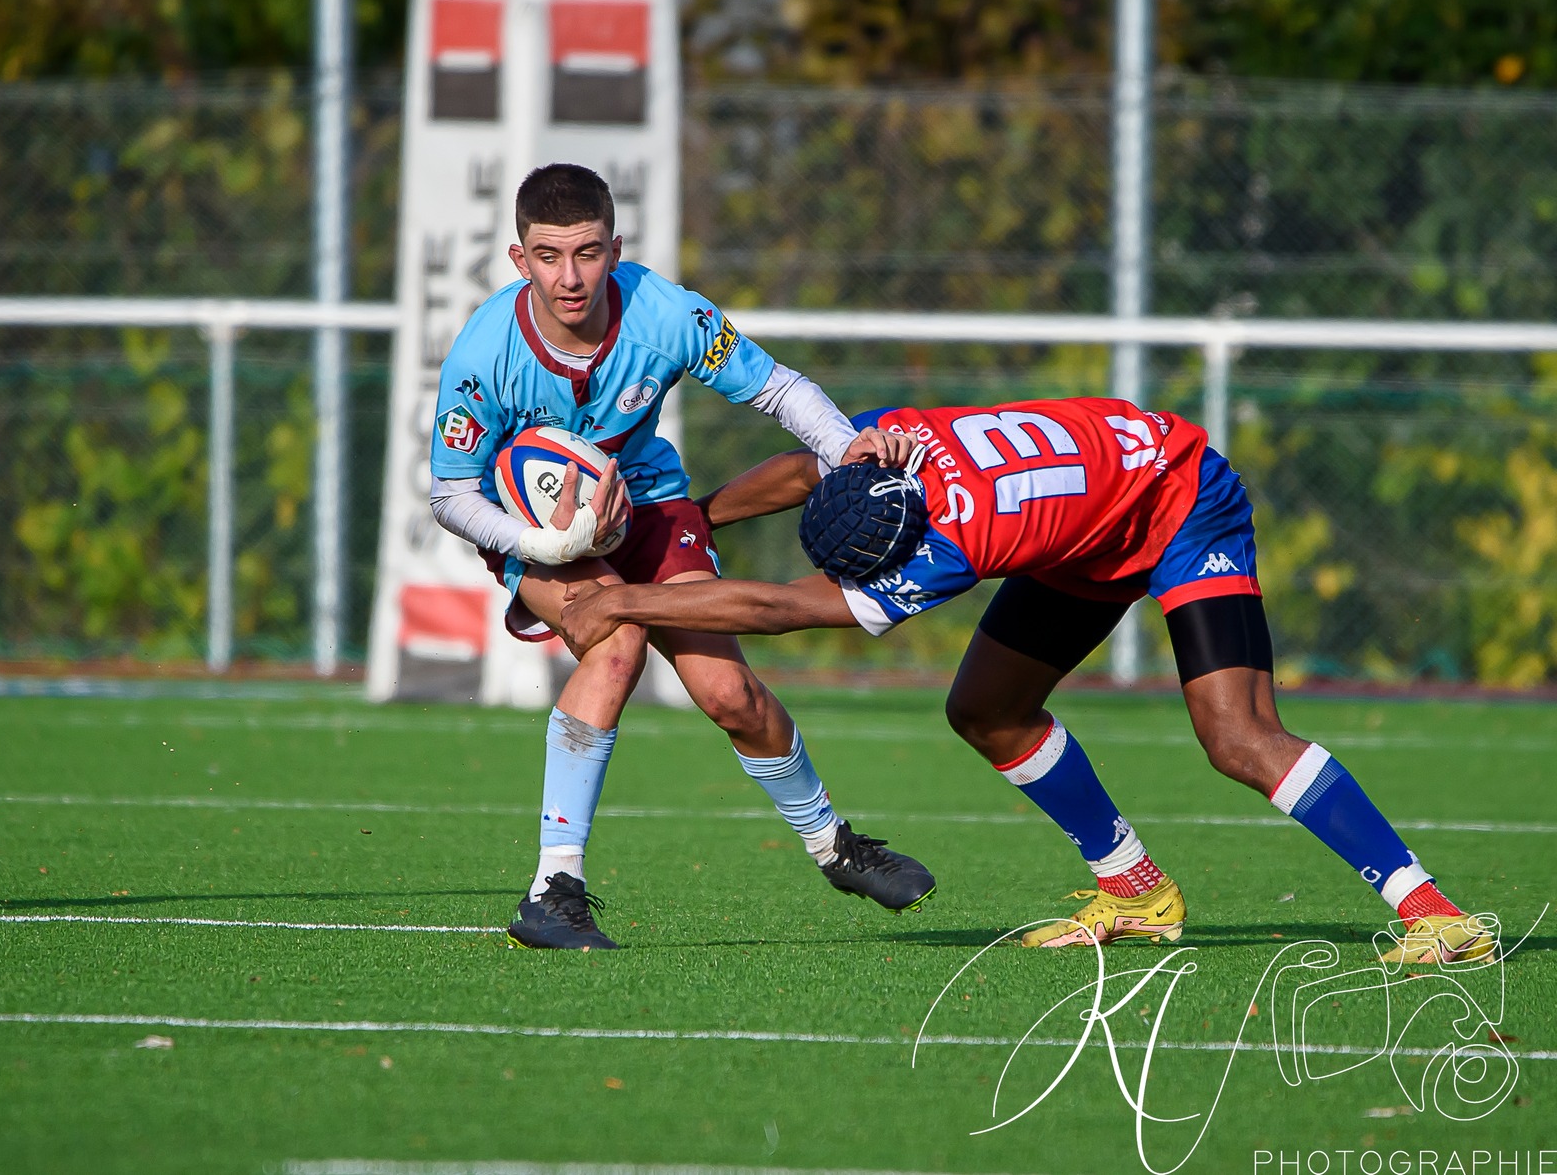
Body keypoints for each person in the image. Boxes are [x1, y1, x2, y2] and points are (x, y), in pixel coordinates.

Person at [561, 395, 1493, 966]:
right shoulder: (887, 443)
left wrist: (625, 599)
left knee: (1237, 735)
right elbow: (808, 469)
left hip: (1177, 496)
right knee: (987, 708)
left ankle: (1436, 912)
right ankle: (1136, 890)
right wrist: (701, 518)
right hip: (1087, 516)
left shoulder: (947, 549)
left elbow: (776, 608)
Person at [430, 163, 933, 950]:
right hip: (541, 533)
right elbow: (451, 494)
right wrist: (541, 544)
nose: (570, 277)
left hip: (653, 504)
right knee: (618, 640)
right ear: (519, 259)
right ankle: (553, 889)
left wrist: (848, 448)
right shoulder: (483, 352)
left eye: (588, 252)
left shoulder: (667, 312)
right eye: (549, 256)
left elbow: (778, 388)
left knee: (729, 691)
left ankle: (834, 846)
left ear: (615, 247)